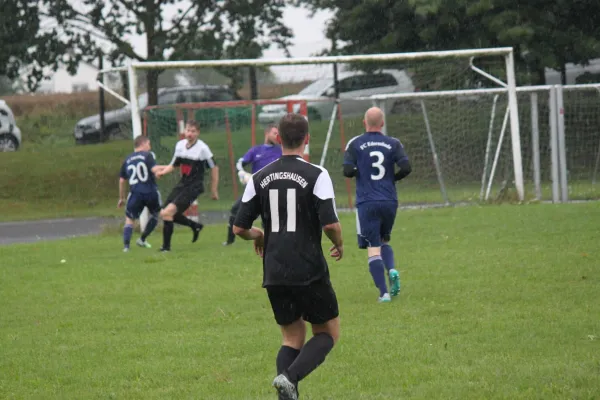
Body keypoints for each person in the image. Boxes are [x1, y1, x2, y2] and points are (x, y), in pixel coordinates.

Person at [233, 113, 343, 400]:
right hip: (307, 268)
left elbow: (239, 228)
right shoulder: (317, 174)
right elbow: (330, 224)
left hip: (274, 269)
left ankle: (286, 392)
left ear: (278, 138)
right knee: (327, 334)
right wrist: (339, 243)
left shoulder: (258, 177)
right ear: (307, 139)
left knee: (292, 338)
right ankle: (289, 377)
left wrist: (258, 235)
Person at [343, 107, 412, 303]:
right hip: (389, 200)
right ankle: (391, 269)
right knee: (384, 240)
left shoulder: (355, 143)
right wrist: (392, 179)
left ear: (364, 123)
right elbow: (406, 167)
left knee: (373, 247)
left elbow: (347, 171)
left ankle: (383, 293)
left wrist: (361, 174)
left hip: (367, 201)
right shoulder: (393, 143)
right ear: (382, 123)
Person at [155, 120, 219, 252]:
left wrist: (214, 189)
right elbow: (173, 164)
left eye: (193, 131)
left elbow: (214, 167)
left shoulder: (203, 149)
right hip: (182, 184)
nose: (190, 134)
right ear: (184, 131)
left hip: (194, 186)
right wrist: (162, 172)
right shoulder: (180, 145)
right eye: (188, 130)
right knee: (164, 213)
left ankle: (166, 248)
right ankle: (195, 226)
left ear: (198, 133)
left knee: (168, 213)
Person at [223, 124, 282, 246]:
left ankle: (271, 241)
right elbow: (240, 163)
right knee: (235, 210)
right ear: (267, 133)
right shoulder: (256, 150)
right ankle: (230, 241)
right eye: (274, 133)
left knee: (270, 218)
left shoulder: (281, 150)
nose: (277, 136)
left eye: (279, 134)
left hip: (273, 191)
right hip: (255, 190)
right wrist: (242, 173)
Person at [117, 135, 163, 252]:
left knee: (129, 219)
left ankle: (126, 247)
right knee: (156, 214)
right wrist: (170, 167)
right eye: (148, 144)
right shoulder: (148, 155)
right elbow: (154, 170)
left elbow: (122, 180)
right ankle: (142, 239)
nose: (149, 147)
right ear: (143, 144)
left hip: (135, 193)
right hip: (150, 191)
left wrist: (121, 198)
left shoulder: (127, 159)